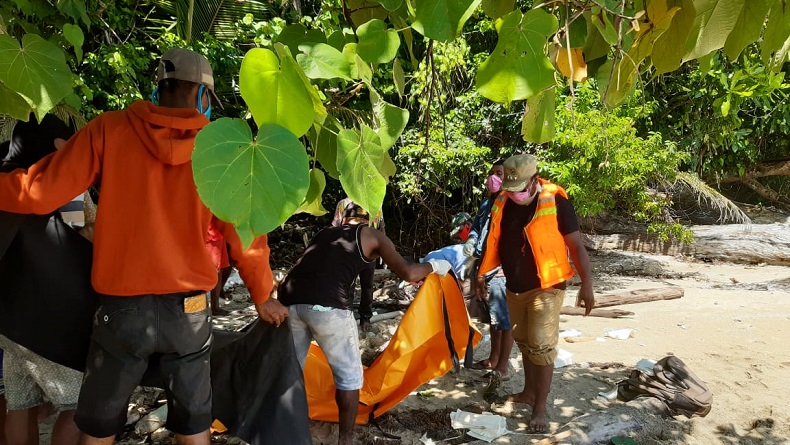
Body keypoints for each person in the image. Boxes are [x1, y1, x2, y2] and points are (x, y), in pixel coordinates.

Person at [0, 48, 286, 445]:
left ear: (159, 88)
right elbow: (246, 232)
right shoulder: (222, 147)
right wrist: (262, 295)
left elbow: (40, 193)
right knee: (194, 425)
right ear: (203, 96)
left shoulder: (108, 130)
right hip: (190, 311)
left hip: (121, 310)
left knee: (98, 427)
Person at [279, 204, 451, 445]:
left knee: (291, 371)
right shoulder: (371, 235)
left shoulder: (324, 233)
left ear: (342, 215)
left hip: (289, 304)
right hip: (329, 308)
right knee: (349, 377)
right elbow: (409, 272)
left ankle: (285, 429)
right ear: (371, 217)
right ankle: (346, 440)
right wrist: (436, 266)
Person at [477, 154, 594, 433]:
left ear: (533, 179)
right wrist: (482, 274)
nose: (514, 192)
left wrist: (587, 284)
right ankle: (529, 393)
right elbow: (493, 240)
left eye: (519, 186)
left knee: (541, 344)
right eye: (510, 186)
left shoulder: (555, 200)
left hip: (547, 286)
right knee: (526, 342)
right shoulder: (503, 200)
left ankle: (540, 408)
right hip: (515, 286)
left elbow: (576, 246)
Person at [0, 114, 83, 445]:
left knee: (19, 403)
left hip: (8, 318)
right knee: (79, 405)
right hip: (48, 317)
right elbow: (81, 232)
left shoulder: (5, 178)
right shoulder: (60, 182)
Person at [466, 160, 514, 381]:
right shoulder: (487, 204)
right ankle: (493, 359)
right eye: (492, 173)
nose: (494, 177)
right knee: (494, 319)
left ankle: (502, 367)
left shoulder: (511, 205)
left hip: (501, 270)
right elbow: (477, 228)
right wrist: (472, 239)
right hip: (484, 267)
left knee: (504, 322)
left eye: (499, 173)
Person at [331, 198, 385, 332]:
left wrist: (383, 249)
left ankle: (365, 318)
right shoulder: (343, 203)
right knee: (348, 285)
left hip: (369, 252)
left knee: (367, 286)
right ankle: (347, 317)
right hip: (348, 251)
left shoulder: (374, 201)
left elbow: (381, 227)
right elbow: (335, 227)